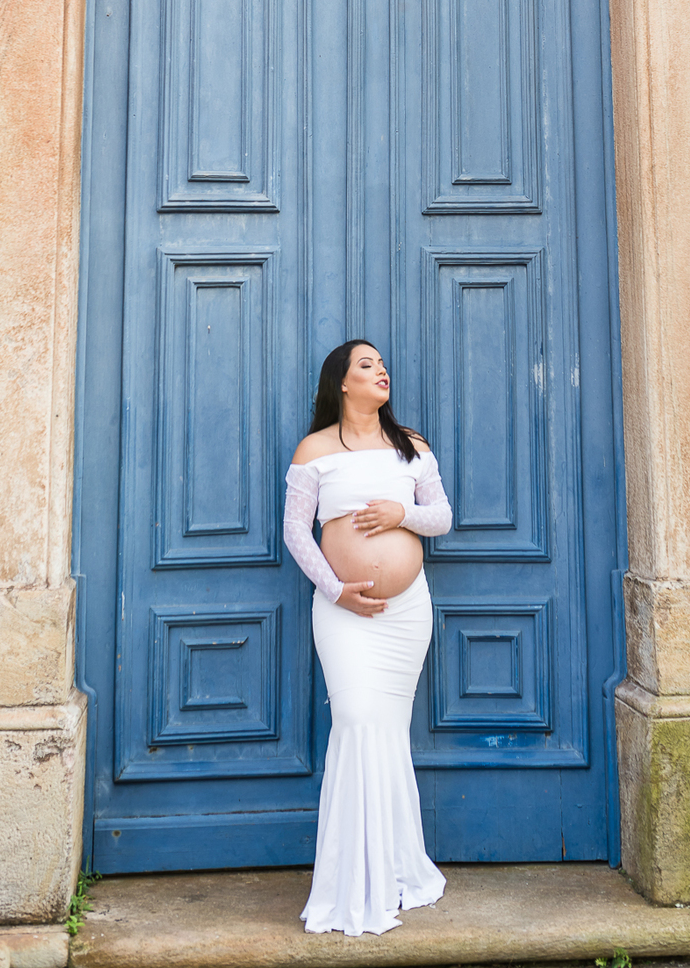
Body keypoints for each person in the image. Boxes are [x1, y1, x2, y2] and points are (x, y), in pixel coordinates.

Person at [283, 338, 453, 936]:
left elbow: (443, 517)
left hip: (408, 612)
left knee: (387, 731)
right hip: (344, 611)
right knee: (356, 720)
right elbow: (296, 533)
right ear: (342, 383)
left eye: (383, 363)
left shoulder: (411, 447)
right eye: (366, 364)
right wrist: (336, 591)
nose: (381, 370)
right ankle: (349, 884)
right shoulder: (316, 449)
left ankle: (393, 868)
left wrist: (399, 514)